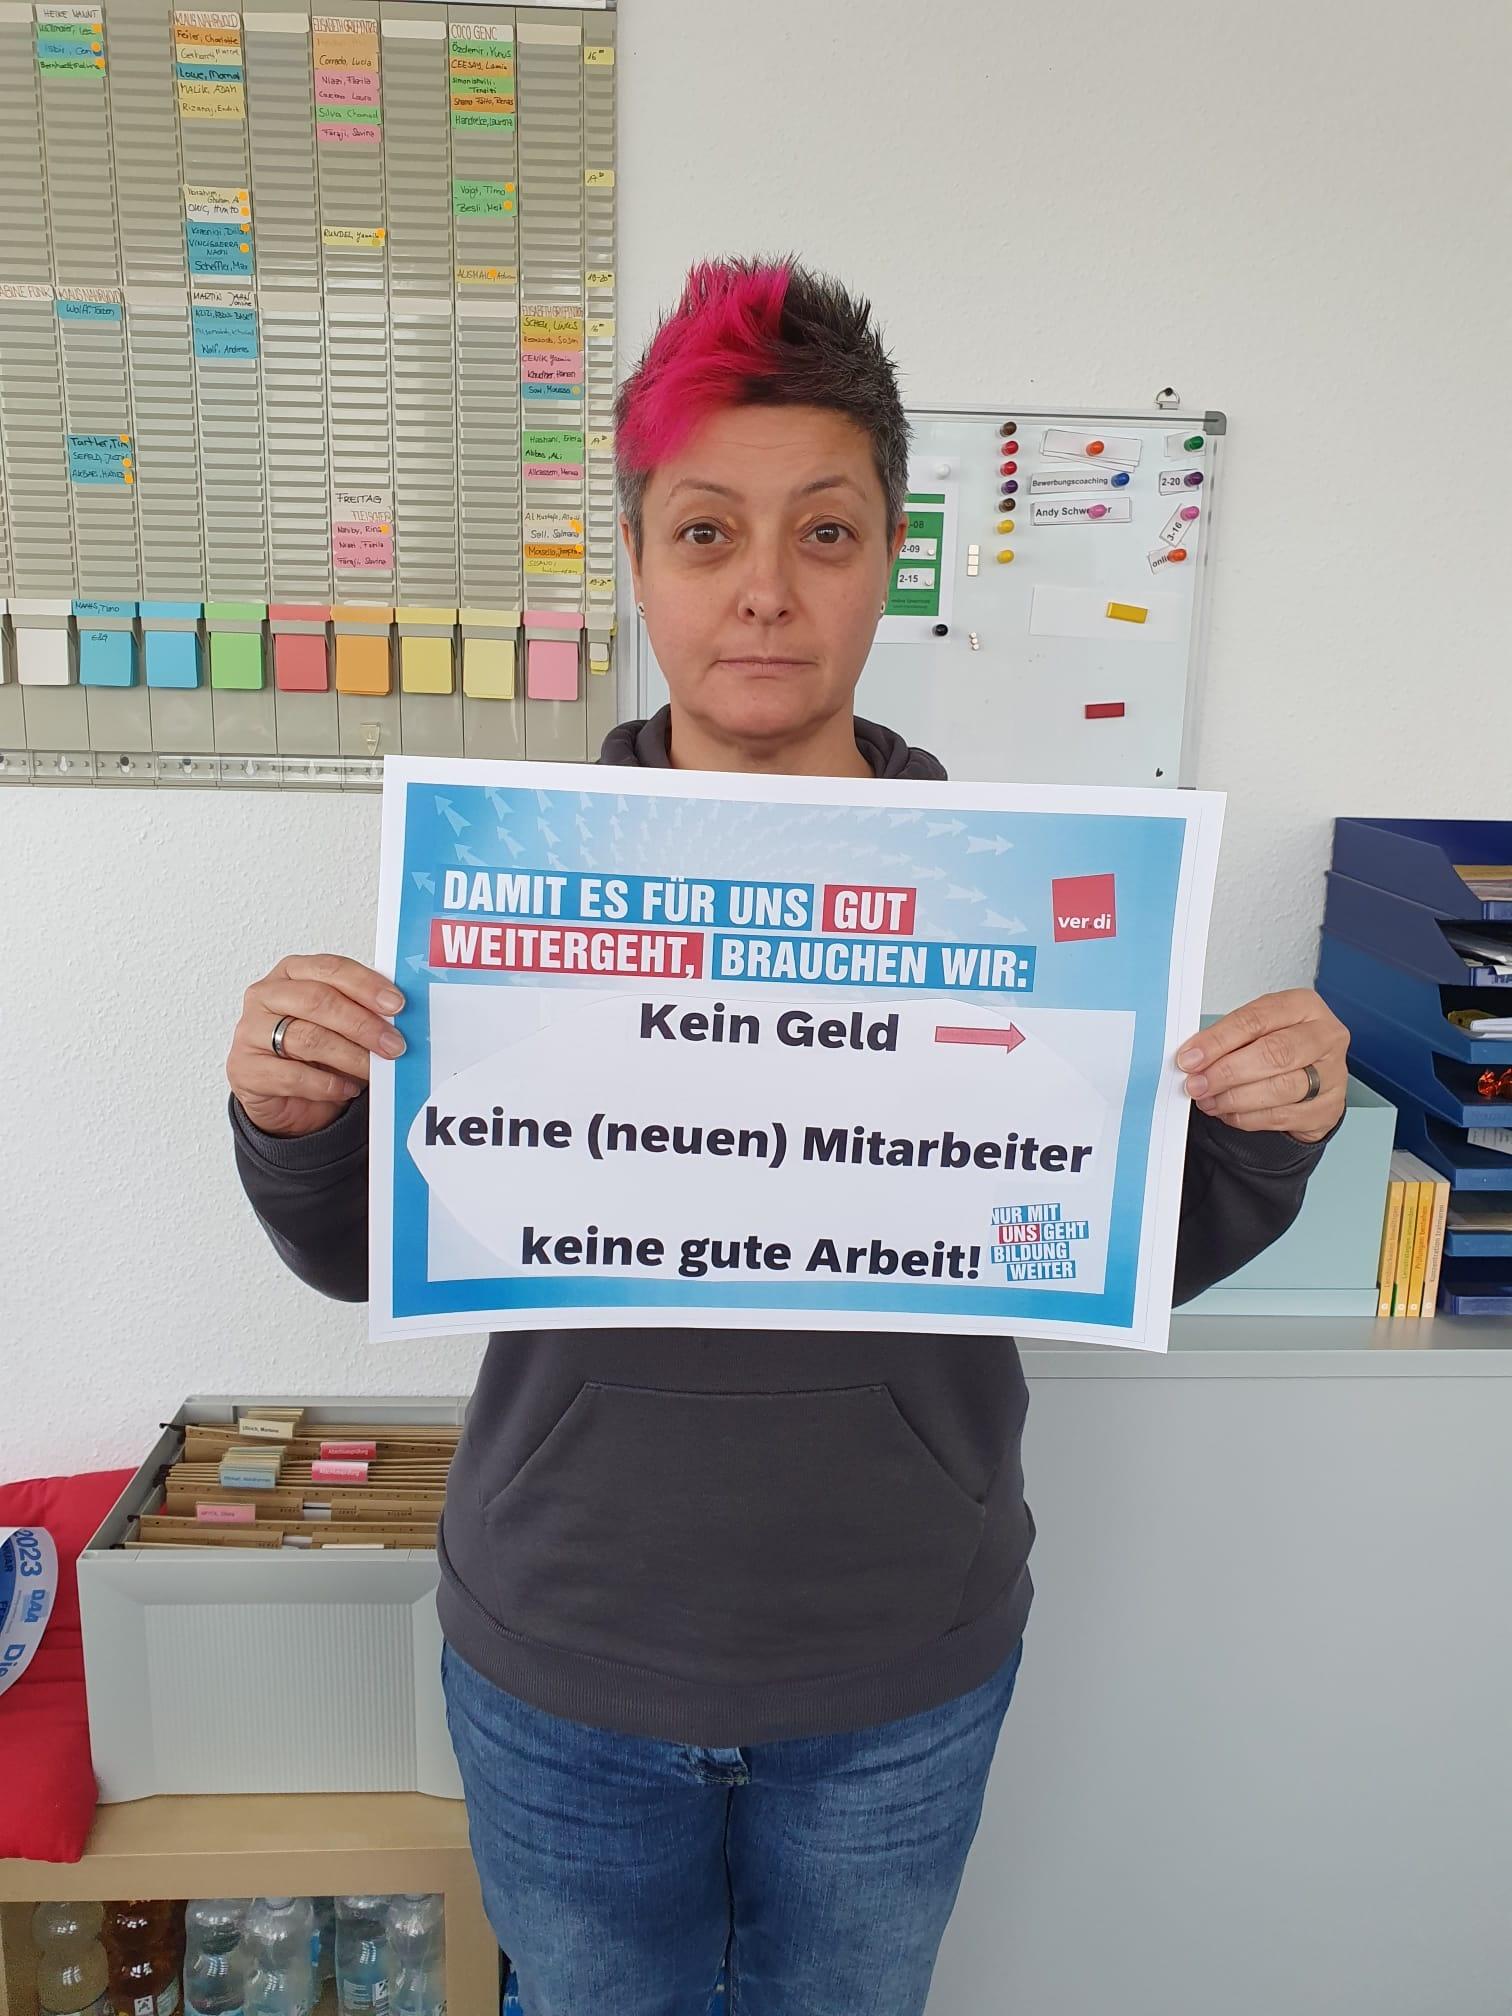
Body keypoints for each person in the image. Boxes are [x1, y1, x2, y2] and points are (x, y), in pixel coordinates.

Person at [227, 258, 1347, 2016]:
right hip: (563, 1657)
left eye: (824, 533)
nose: (764, 590)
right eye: (706, 534)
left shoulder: (1027, 908)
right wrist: (293, 1116)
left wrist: (1268, 1130)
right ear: (639, 561)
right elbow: (365, 1245)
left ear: (890, 558)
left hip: (897, 1666)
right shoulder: (506, 887)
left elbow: (1115, 1235)